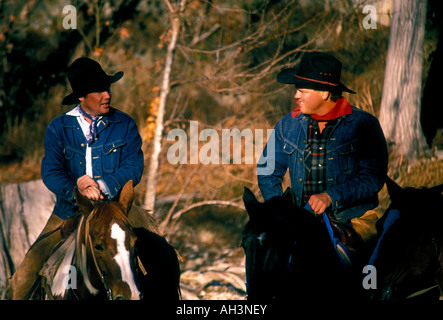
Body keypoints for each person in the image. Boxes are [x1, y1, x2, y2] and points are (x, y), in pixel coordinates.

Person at [6, 57, 146, 299]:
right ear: (81, 96)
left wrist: (102, 185)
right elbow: (51, 171)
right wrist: (76, 188)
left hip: (118, 208)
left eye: (108, 88)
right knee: (22, 279)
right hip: (69, 209)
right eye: (99, 90)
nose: (107, 95)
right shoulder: (58, 128)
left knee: (161, 256)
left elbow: (134, 165)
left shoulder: (124, 123)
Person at [257, 52, 388, 242]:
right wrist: (280, 209)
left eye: (302, 91)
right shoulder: (287, 125)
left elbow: (372, 178)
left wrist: (330, 196)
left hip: (353, 221)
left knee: (368, 266)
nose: (296, 95)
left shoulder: (365, 125)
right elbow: (267, 169)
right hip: (301, 222)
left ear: (325, 93)